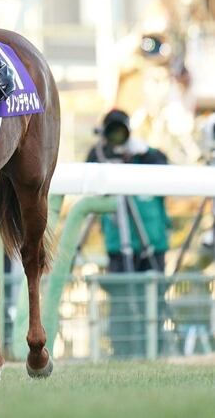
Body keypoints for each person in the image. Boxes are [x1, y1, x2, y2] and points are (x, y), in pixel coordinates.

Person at [86, 109, 171, 357]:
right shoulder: (100, 156)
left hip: (151, 242)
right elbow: (89, 177)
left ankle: (155, 350)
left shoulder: (148, 157)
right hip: (117, 243)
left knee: (153, 301)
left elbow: (167, 171)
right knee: (121, 304)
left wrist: (142, 153)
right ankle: (122, 352)